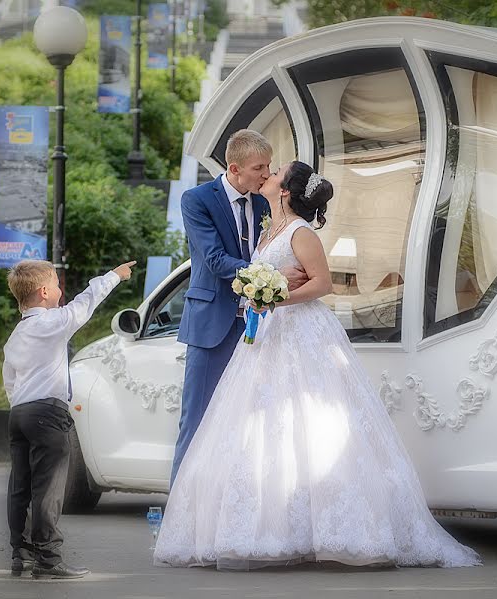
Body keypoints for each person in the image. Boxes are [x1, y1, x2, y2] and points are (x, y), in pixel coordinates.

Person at [153, 162, 480, 569]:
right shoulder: (269, 225)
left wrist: (274, 298)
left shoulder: (300, 233)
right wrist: (266, 290)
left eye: (274, 173)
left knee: (312, 425)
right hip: (268, 335)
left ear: (286, 191)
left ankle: (330, 528)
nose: (267, 176)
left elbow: (321, 284)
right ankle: (278, 525)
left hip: (302, 332)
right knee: (264, 429)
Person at [171, 129, 305, 487]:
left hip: (256, 329)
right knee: (196, 421)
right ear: (234, 168)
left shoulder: (263, 204)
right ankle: (179, 521)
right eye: (259, 167)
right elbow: (214, 260)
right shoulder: (196, 200)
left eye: (268, 166)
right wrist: (273, 273)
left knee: (242, 425)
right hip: (210, 327)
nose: (266, 173)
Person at [3, 259, 135, 579]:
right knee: (49, 488)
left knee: (20, 485)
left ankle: (20, 551)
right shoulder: (52, 323)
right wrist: (114, 276)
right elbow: (85, 303)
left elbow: (9, 378)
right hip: (48, 414)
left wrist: (20, 404)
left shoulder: (17, 334)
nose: (63, 291)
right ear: (44, 292)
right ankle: (48, 556)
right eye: (58, 284)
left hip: (19, 414)